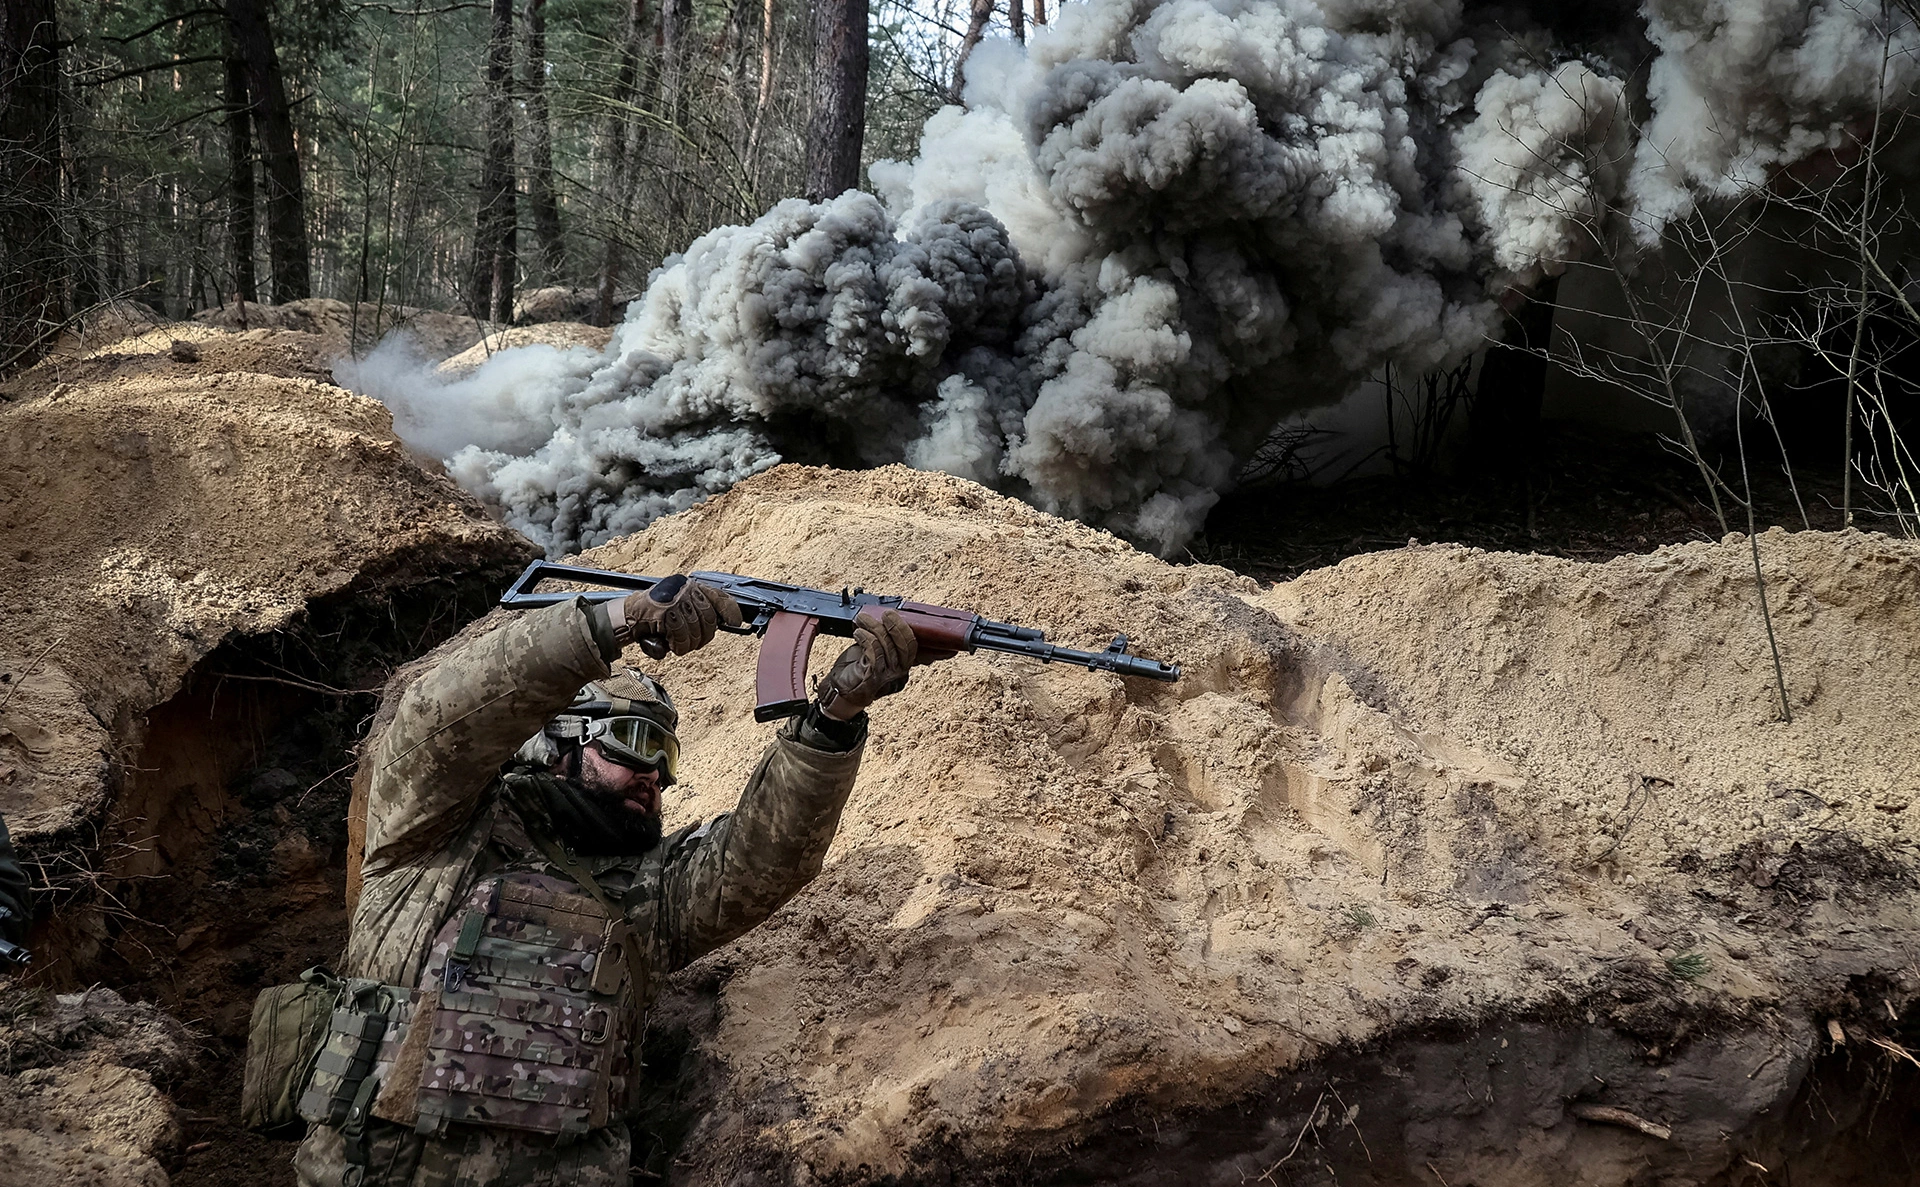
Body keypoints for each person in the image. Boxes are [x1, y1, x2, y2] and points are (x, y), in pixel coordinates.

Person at [293, 575, 924, 1186]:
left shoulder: (650, 895)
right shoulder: (434, 837)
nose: (652, 770)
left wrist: (835, 716)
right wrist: (613, 622)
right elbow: (443, 720)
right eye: (628, 740)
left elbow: (767, 855)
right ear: (556, 743)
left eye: (665, 755)